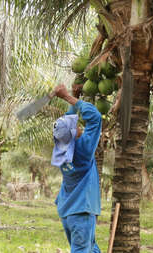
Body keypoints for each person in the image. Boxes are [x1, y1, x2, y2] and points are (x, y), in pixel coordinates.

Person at [51, 84, 102, 253]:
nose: (78, 125)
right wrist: (66, 96)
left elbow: (68, 120)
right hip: (81, 213)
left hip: (69, 212)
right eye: (75, 126)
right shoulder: (84, 150)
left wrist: (74, 94)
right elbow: (95, 117)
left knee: (91, 249)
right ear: (74, 132)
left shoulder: (61, 150)